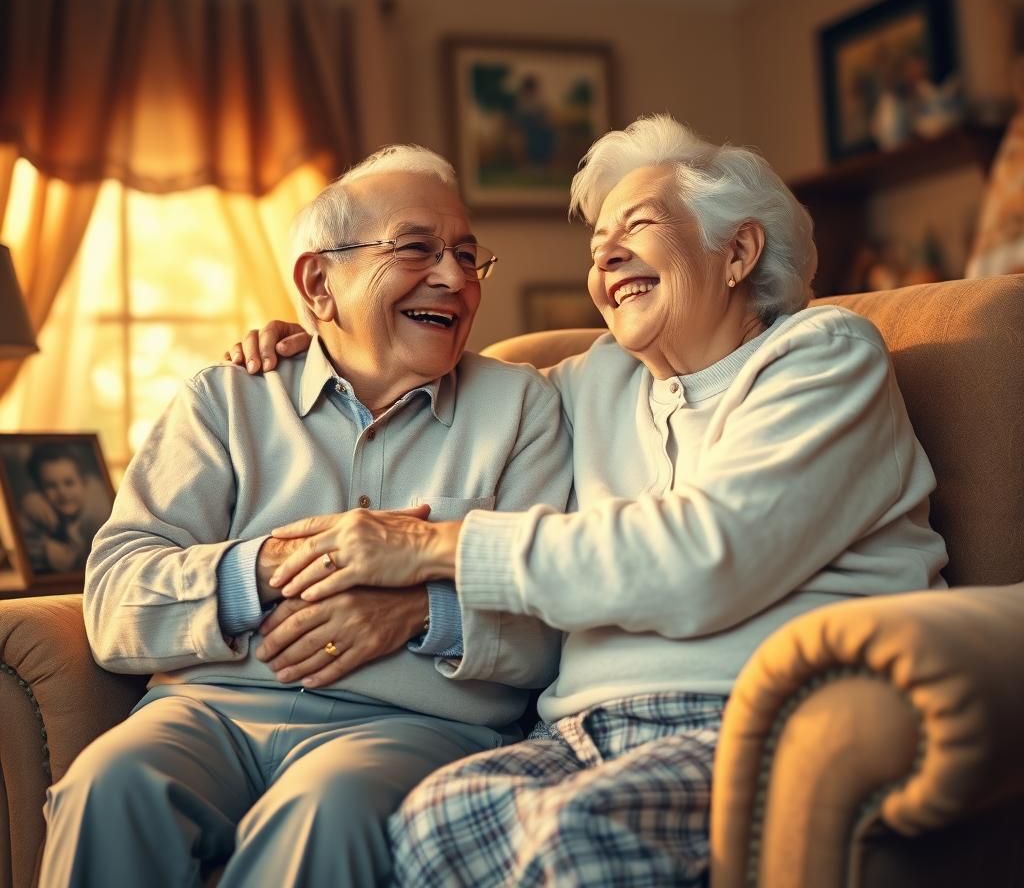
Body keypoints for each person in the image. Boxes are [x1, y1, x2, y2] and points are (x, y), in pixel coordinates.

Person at [233, 115, 948, 886]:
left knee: (574, 831)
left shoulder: (821, 357)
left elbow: (707, 555)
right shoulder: (593, 381)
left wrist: (431, 548)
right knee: (433, 816)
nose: (605, 256)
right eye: (597, 243)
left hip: (755, 718)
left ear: (737, 252)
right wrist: (330, 336)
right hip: (578, 733)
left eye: (636, 227)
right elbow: (455, 403)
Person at [39, 145, 571, 888]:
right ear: (320, 283)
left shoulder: (522, 408)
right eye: (418, 248)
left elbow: (550, 619)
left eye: (466, 255)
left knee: (329, 806)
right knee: (113, 782)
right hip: (210, 713)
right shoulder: (225, 399)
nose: (453, 277)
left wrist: (418, 610)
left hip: (410, 727)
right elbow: (114, 599)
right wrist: (259, 569)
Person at [21, 443, 106, 573]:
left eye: (69, 483)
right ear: (39, 491)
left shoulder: (97, 516)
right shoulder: (37, 517)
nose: (62, 492)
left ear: (84, 483)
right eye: (50, 486)